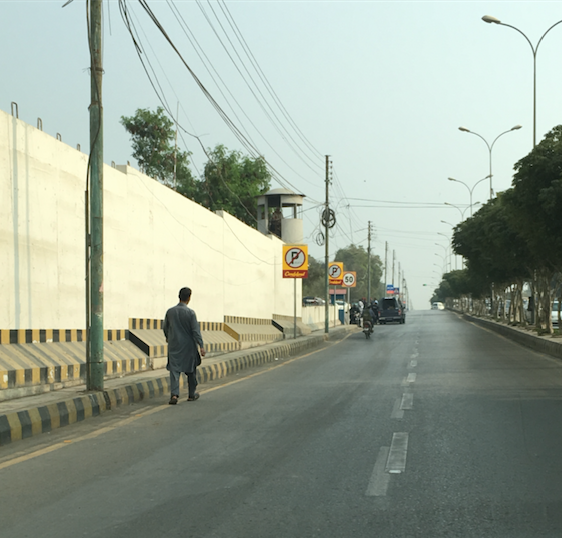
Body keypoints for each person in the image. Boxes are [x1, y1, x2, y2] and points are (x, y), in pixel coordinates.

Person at [163, 287, 206, 405]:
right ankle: (191, 394)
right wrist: (201, 345)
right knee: (191, 370)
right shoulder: (190, 313)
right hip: (188, 347)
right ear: (189, 298)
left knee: (174, 371)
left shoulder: (170, 312)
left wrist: (168, 337)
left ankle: (174, 394)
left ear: (179, 296)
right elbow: (195, 331)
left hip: (174, 346)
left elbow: (165, 327)